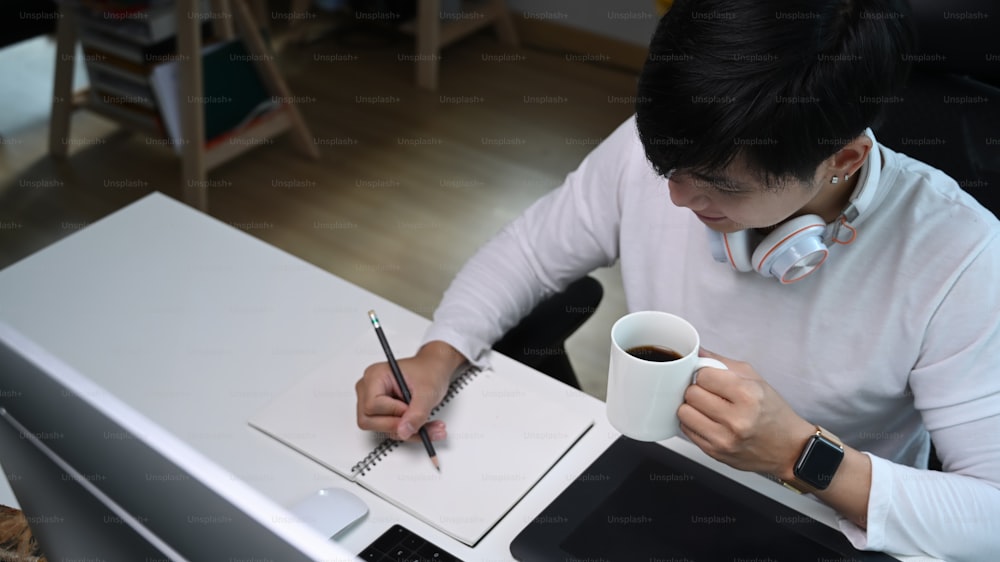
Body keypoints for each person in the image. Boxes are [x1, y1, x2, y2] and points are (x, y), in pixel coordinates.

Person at [355, 0, 1000, 559]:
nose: (674, 199)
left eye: (721, 185)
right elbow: (525, 253)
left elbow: (990, 519)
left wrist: (798, 456)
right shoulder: (667, 148)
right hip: (634, 474)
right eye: (667, 165)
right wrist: (441, 353)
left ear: (844, 159)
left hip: (820, 524)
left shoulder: (959, 255)